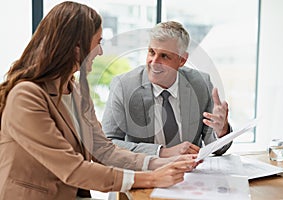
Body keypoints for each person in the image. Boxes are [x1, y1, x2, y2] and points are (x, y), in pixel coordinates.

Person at [0, 2, 199, 200]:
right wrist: (151, 178)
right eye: (98, 42)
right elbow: (73, 169)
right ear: (76, 47)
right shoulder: (25, 96)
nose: (101, 52)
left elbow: (103, 150)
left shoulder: (75, 90)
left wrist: (162, 163)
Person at [102, 21, 232, 158]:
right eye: (152, 52)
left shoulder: (201, 84)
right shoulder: (124, 86)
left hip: (191, 173)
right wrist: (162, 152)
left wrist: (222, 131)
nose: (154, 62)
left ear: (182, 60)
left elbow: (215, 147)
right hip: (147, 174)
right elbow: (107, 144)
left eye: (164, 56)